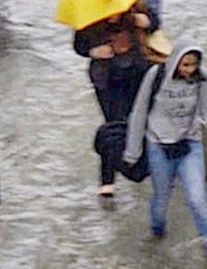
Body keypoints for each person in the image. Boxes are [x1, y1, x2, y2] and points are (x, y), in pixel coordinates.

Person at [123, 45, 207, 258]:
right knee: (161, 198)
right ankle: (156, 235)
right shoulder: (156, 75)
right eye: (185, 64)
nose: (189, 69)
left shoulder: (201, 78)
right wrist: (132, 151)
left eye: (194, 64)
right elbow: (139, 112)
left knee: (197, 197)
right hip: (159, 145)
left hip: (189, 144)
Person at [75, 1, 161, 197]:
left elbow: (155, 23)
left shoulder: (135, 9)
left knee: (140, 122)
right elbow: (79, 45)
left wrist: (146, 21)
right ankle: (107, 178)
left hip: (137, 74)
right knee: (112, 126)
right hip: (107, 80)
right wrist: (93, 52)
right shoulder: (90, 17)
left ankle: (140, 161)